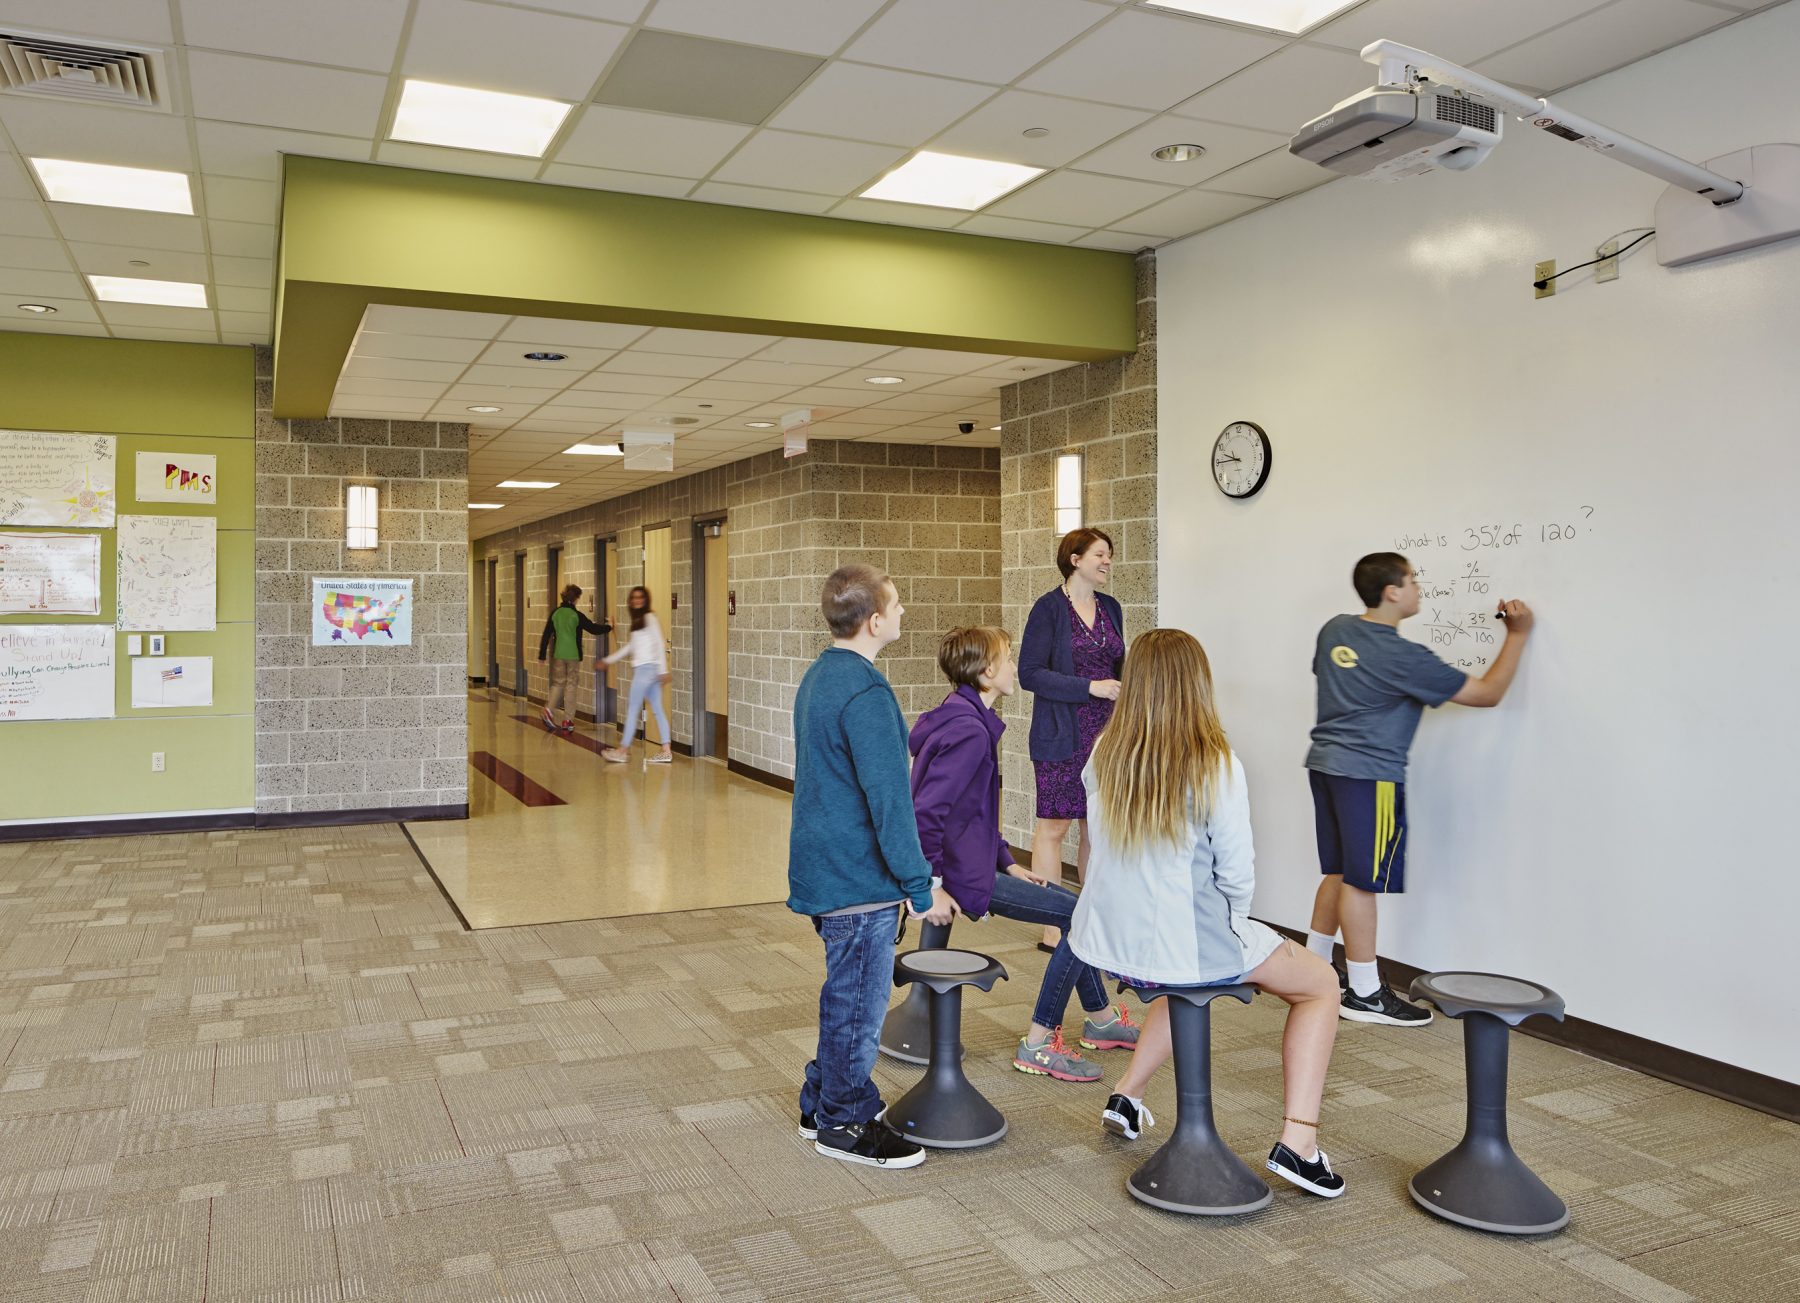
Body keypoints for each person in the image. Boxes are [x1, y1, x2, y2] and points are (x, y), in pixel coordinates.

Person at [1069, 628, 1347, 1199]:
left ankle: (1129, 1093)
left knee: (1183, 975)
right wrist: (1238, 929)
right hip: (1180, 939)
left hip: (1107, 937)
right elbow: (1238, 875)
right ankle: (1300, 1143)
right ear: (1198, 685)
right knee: (1321, 983)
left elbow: (1091, 847)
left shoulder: (1105, 752)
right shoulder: (1214, 762)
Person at [1304, 553, 1534, 1027]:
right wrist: (1518, 635)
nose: (1418, 589)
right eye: (1413, 581)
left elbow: (1334, 674)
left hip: (1326, 767)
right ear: (1392, 592)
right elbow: (1488, 693)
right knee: (1363, 882)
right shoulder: (1403, 656)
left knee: (1341, 872)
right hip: (1371, 775)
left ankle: (1315, 967)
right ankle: (1364, 993)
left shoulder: (1334, 629)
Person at [909, 627, 1140, 1085]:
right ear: (987, 671)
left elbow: (975, 813)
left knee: (1073, 910)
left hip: (972, 863)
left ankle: (1099, 1017)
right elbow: (927, 813)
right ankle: (1039, 1042)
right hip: (961, 875)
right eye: (1008, 659)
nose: (1015, 667)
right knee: (1079, 913)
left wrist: (1009, 862)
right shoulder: (970, 732)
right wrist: (931, 885)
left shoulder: (961, 717)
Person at [788, 564, 958, 1169]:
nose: (905, 612)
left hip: (825, 868)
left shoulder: (821, 676)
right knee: (858, 1005)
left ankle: (821, 1098)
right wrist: (921, 888)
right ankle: (844, 1121)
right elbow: (890, 801)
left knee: (845, 994)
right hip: (857, 879)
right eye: (898, 604)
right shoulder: (866, 691)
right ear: (875, 620)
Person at [1018, 527, 1123, 951]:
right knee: (1054, 826)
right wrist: (1089, 687)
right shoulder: (1048, 608)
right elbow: (1030, 673)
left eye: (1109, 555)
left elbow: (1120, 663)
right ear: (1075, 558)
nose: (1108, 562)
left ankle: (1089, 917)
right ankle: (1051, 927)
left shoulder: (1112, 607)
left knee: (1095, 828)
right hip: (1061, 731)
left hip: (1106, 734)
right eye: (1100, 554)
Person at [596, 585, 672, 765]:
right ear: (631, 601)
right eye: (634, 597)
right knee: (658, 709)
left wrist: (663, 671)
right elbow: (630, 647)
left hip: (646, 670)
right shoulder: (639, 621)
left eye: (640, 597)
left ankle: (622, 750)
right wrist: (608, 660)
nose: (637, 600)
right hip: (651, 671)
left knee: (632, 709)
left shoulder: (649, 618)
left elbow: (660, 642)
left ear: (645, 600)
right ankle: (666, 749)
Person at [537, 583, 609, 732]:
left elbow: (546, 634)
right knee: (571, 686)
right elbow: (593, 629)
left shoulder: (555, 613)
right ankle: (567, 720)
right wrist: (609, 626)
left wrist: (542, 655)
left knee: (558, 683)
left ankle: (549, 710)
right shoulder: (576, 615)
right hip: (573, 655)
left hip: (558, 654)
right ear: (575, 598)